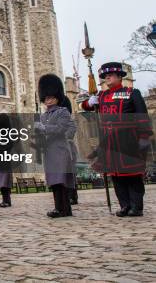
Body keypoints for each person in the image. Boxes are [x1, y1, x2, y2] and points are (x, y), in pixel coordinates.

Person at [82, 62, 153, 217]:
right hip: (110, 141)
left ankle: (136, 206)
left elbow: (142, 116)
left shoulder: (131, 93)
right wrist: (89, 102)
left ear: (120, 76)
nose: (107, 78)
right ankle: (125, 205)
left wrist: (144, 137)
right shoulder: (102, 96)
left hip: (129, 139)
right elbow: (85, 106)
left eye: (111, 75)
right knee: (116, 176)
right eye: (105, 76)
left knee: (132, 175)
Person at [34, 74, 76, 218]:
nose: (48, 100)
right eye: (46, 98)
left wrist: (44, 128)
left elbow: (61, 129)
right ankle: (59, 207)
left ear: (57, 97)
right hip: (49, 151)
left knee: (61, 180)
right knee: (54, 181)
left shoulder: (62, 112)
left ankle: (65, 208)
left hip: (59, 150)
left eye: (51, 97)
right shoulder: (43, 115)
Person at [61, 96, 79, 205]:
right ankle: (65, 195)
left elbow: (71, 131)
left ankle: (73, 196)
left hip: (68, 148)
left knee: (69, 173)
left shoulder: (68, 119)